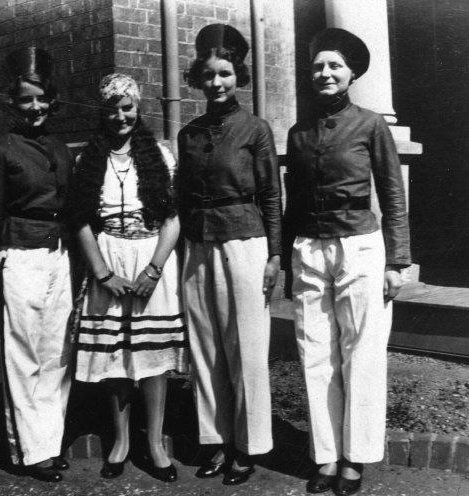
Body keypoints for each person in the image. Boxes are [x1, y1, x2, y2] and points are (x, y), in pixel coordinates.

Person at [284, 28, 411, 496]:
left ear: (351, 73)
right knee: (315, 352)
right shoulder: (298, 133)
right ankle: (326, 455)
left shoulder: (371, 124)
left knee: (361, 352)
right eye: (318, 66)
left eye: (334, 66)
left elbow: (392, 195)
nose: (325, 73)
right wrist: (286, 262)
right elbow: (292, 203)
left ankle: (355, 457)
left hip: (359, 248)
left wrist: (397, 260)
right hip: (309, 249)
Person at [175, 23, 281, 486]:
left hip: (244, 243)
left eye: (225, 74)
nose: (216, 83)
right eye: (209, 75)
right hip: (198, 245)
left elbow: (271, 196)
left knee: (247, 349)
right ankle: (217, 441)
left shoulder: (256, 129)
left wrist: (275, 255)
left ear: (238, 77)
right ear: (198, 79)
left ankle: (248, 445)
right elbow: (181, 197)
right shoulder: (189, 133)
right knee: (206, 347)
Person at [68, 73, 186, 483]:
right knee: (115, 356)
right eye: (112, 110)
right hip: (109, 260)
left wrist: (154, 269)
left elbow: (172, 219)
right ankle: (119, 441)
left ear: (138, 107)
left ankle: (154, 443)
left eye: (127, 107)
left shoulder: (160, 155)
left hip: (151, 258)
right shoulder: (88, 160)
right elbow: (80, 222)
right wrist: (103, 274)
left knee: (152, 358)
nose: (120, 116)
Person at [0, 46, 74, 483]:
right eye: (25, 100)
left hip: (60, 256)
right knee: (23, 355)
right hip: (18, 255)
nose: (34, 108)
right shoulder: (1, 149)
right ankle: (31, 450)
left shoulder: (60, 148)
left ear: (51, 101)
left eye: (41, 99)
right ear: (12, 103)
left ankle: (51, 443)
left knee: (57, 353)